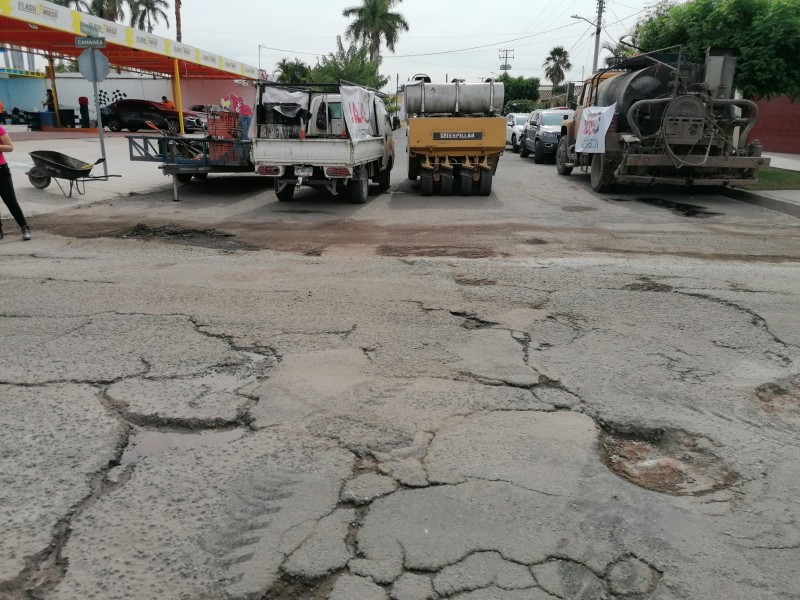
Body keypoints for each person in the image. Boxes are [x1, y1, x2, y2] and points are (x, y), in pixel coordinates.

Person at [0, 124, 32, 240]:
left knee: (10, 200)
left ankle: (24, 226)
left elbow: (9, 147)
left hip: (1, 170)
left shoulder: (0, 128)